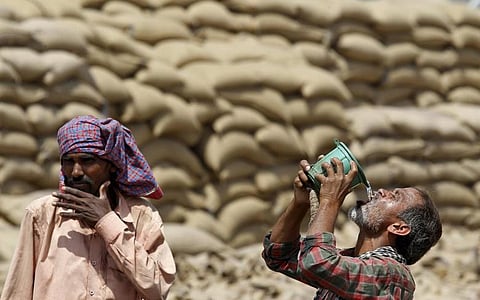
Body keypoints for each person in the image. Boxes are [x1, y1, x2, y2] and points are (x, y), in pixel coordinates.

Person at [1, 115, 176, 300]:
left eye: (87, 161)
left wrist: (107, 223)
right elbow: (18, 291)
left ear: (111, 166)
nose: (76, 172)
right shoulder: (41, 214)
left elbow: (158, 288)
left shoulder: (141, 215)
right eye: (69, 161)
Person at [262, 157, 442, 300]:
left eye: (394, 197)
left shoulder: (394, 276)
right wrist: (300, 203)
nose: (381, 191)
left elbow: (317, 263)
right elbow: (279, 255)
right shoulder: (348, 261)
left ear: (399, 228)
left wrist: (329, 201)